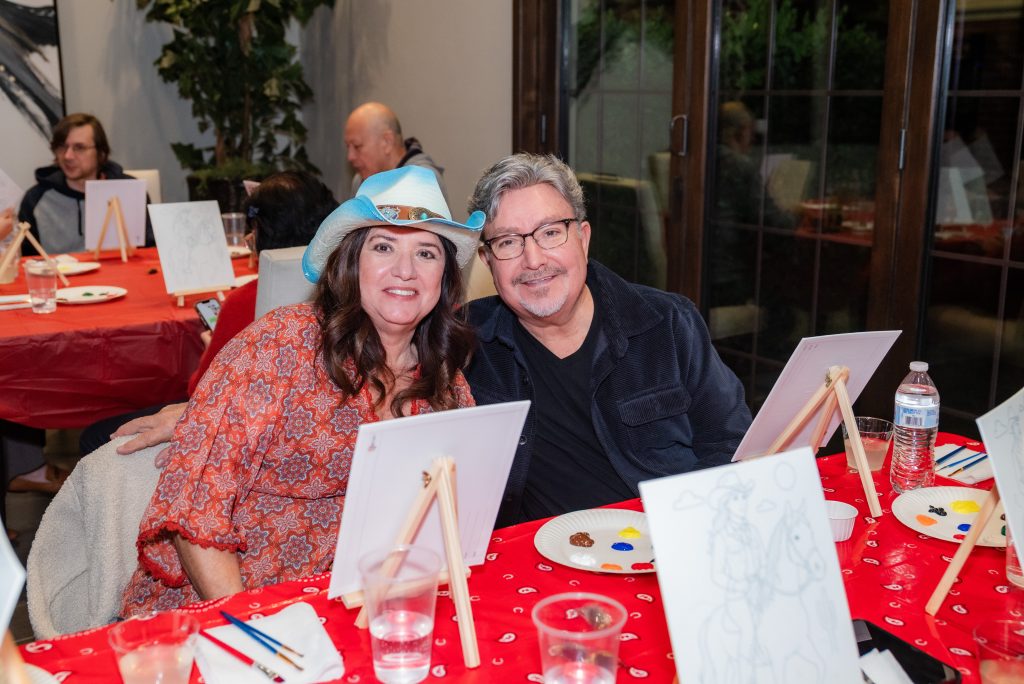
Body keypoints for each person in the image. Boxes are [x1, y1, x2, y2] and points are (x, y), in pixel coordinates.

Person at [120, 165, 482, 615]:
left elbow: (454, 517)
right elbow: (197, 509)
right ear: (352, 261)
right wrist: (257, 627)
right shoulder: (283, 344)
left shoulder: (446, 380)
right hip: (236, 604)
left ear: (444, 276)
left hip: (364, 607)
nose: (405, 270)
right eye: (383, 246)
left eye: (426, 253)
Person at [464, 153, 752, 527]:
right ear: (488, 261)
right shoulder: (466, 343)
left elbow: (732, 446)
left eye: (551, 233)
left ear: (582, 238)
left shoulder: (667, 324)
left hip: (667, 543)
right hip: (541, 564)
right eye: (508, 242)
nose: (533, 260)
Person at [77, 170, 337, 457]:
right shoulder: (346, 287)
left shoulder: (245, 301)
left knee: (94, 437)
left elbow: (201, 393)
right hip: (312, 428)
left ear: (260, 234)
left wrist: (207, 349)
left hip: (241, 434)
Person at [18, 113, 148, 255]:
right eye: (62, 147)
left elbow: (150, 254)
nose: (68, 156)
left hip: (120, 275)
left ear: (101, 153)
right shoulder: (35, 199)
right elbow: (28, 262)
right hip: (59, 275)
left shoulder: (130, 192)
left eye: (79, 148)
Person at [344, 101, 448, 200]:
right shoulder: (360, 180)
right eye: (348, 147)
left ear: (387, 142)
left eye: (357, 146)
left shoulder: (423, 181)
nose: (350, 156)